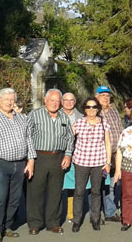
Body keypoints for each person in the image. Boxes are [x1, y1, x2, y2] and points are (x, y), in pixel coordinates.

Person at [0, 88, 37, 242]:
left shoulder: (21, 119)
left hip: (19, 164)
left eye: (12, 99)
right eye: (6, 99)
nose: (9, 102)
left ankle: (8, 226)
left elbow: (29, 140)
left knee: (14, 198)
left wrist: (31, 160)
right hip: (1, 164)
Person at [26, 89, 74, 235]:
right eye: (51, 100)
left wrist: (67, 155)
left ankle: (53, 222)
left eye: (57, 101)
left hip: (58, 158)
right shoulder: (35, 114)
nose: (54, 103)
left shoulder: (63, 117)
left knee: (55, 191)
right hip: (39, 157)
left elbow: (70, 138)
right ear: (45, 100)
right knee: (36, 192)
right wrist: (30, 159)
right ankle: (35, 223)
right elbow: (27, 136)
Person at [71, 97, 111, 232]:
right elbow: (68, 139)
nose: (91, 109)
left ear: (98, 109)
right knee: (79, 191)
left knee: (96, 191)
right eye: (88, 107)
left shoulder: (103, 123)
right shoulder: (79, 123)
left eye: (94, 107)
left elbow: (108, 144)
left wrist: (108, 162)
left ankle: (95, 219)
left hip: (98, 163)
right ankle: (76, 220)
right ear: (85, 109)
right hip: (81, 162)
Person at [95, 86, 124, 223]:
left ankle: (110, 212)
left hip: (115, 153)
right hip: (100, 154)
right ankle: (98, 213)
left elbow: (120, 129)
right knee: (100, 184)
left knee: (112, 184)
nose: (106, 98)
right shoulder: (94, 112)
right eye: (102, 96)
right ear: (96, 97)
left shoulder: (113, 111)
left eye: (107, 96)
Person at [60, 92, 84, 223]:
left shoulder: (81, 117)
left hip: (76, 154)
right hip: (57, 153)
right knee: (56, 185)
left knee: (72, 185)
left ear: (74, 102)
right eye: (65, 100)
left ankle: (71, 213)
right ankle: (55, 214)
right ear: (62, 101)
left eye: (71, 100)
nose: (68, 103)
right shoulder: (55, 114)